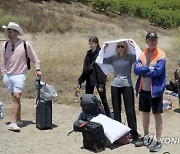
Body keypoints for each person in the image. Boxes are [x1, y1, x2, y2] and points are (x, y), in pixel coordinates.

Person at [1, 22, 42, 131]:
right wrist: (3, 74)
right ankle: (18, 119)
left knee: (16, 96)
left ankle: (13, 122)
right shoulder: (5, 45)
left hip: (20, 74)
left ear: (16, 32)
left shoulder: (25, 44)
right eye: (8, 31)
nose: (8, 33)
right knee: (15, 98)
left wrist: (38, 69)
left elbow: (34, 58)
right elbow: (3, 61)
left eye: (10, 31)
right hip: (8, 75)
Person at [134, 32, 166, 152]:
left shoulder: (161, 55)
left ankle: (158, 140)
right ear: (147, 41)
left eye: (155, 39)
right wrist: (147, 68)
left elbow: (157, 72)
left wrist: (143, 70)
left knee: (157, 115)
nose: (153, 41)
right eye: (151, 40)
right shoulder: (142, 54)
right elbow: (136, 70)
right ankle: (146, 137)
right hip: (143, 89)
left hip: (156, 91)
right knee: (145, 113)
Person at [102, 41, 139, 141]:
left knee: (130, 110)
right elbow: (101, 59)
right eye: (118, 46)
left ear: (125, 48)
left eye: (122, 46)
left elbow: (140, 57)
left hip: (127, 84)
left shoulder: (130, 57)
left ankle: (134, 133)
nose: (120, 48)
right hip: (115, 85)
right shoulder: (113, 58)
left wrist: (133, 46)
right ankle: (118, 134)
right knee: (116, 110)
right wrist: (104, 48)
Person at [78, 36, 111, 117]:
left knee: (103, 99)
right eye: (90, 43)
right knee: (88, 99)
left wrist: (101, 84)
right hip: (89, 79)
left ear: (96, 43)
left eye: (92, 43)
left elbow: (103, 71)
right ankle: (88, 115)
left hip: (98, 79)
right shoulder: (88, 54)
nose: (91, 45)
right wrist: (81, 80)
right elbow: (85, 69)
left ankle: (108, 115)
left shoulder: (100, 54)